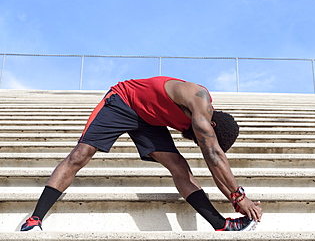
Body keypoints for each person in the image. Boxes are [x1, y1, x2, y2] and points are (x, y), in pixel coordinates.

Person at [20, 76, 263, 232]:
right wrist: (240, 197)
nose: (201, 141)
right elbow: (214, 155)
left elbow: (213, 159)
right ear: (213, 127)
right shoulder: (199, 102)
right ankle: (35, 219)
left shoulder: (202, 123)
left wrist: (233, 198)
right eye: (208, 138)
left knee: (180, 167)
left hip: (149, 120)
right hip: (123, 101)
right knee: (80, 155)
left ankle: (219, 224)